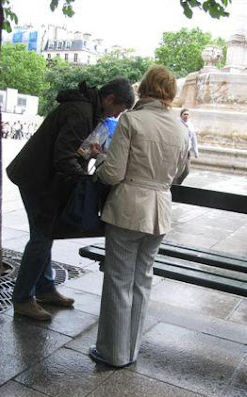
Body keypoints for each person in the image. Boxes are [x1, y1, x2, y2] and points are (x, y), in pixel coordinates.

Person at [6, 77, 135, 321]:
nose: (118, 116)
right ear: (110, 100)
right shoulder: (81, 112)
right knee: (41, 237)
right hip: (37, 180)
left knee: (46, 233)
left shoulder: (89, 110)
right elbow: (64, 158)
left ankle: (45, 289)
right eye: (120, 110)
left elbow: (75, 151)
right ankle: (23, 298)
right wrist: (87, 181)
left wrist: (91, 153)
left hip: (41, 178)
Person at [89, 66, 189, 367]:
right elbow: (181, 174)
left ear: (143, 88)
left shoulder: (131, 120)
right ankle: (131, 351)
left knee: (119, 281)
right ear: (170, 93)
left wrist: (100, 157)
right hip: (160, 211)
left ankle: (113, 353)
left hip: (128, 209)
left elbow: (113, 174)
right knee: (142, 282)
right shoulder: (180, 128)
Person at [173, 108, 199, 184]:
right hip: (178, 150)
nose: (186, 116)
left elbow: (193, 138)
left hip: (187, 151)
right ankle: (174, 185)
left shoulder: (190, 125)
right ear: (181, 115)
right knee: (176, 169)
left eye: (188, 114)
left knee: (186, 171)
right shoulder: (177, 123)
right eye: (185, 114)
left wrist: (195, 151)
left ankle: (177, 183)